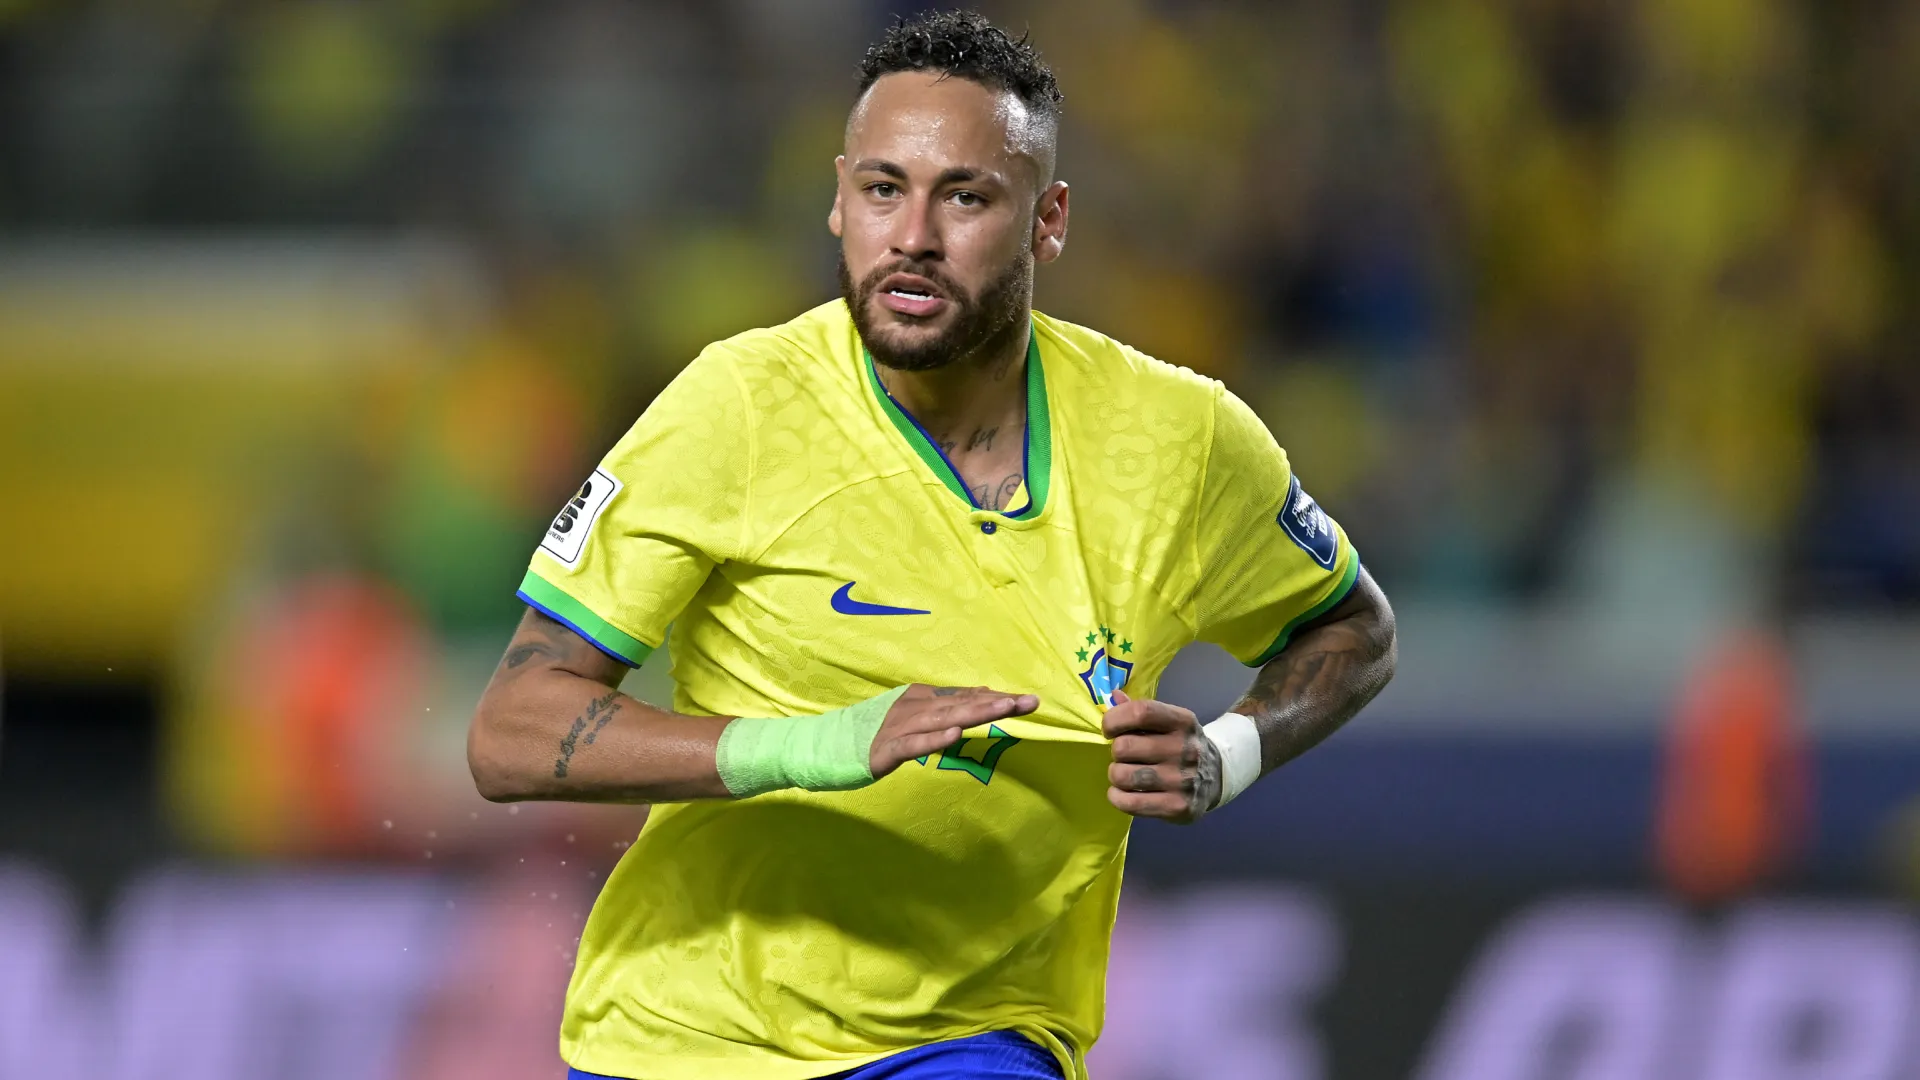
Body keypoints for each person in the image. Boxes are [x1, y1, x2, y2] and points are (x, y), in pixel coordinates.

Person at [467, 11, 1396, 1080]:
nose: (911, 234)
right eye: (880, 189)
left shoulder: (1180, 443)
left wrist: (1231, 753)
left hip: (976, 1036)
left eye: (964, 195)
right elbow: (510, 734)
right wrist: (811, 747)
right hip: (688, 1039)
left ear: (1047, 221)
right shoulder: (736, 408)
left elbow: (1353, 628)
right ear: (836, 198)